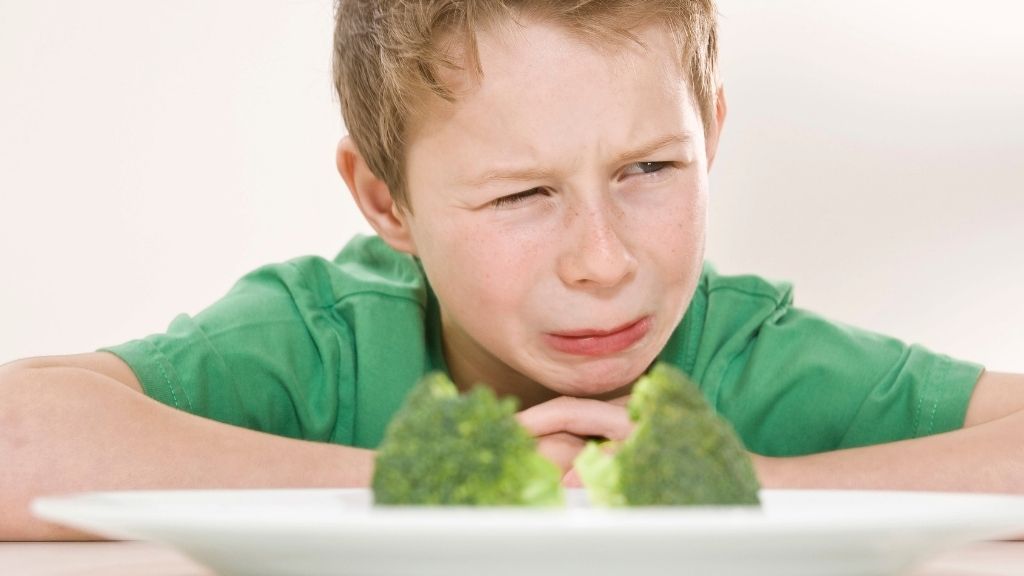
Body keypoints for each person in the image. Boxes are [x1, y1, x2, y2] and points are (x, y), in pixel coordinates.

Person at [2, 0, 1023, 541]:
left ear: (709, 137)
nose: (601, 260)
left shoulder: (747, 357)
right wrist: (441, 487)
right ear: (385, 201)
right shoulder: (321, 343)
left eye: (649, 169)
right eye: (519, 196)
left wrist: (749, 487)